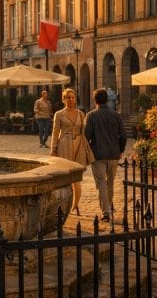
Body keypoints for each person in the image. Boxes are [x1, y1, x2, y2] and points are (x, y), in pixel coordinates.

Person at [84, 88, 127, 222]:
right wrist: (120, 150)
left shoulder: (91, 115)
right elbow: (123, 135)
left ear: (95, 100)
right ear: (107, 100)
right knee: (110, 182)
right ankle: (108, 206)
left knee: (101, 182)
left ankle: (106, 211)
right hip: (113, 154)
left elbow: (86, 135)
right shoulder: (116, 115)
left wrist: (89, 150)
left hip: (98, 154)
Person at [50, 88, 90, 217]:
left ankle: (74, 205)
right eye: (68, 97)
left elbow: (84, 132)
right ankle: (64, 205)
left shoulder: (81, 114)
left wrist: (86, 148)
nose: (71, 100)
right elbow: (55, 132)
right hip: (64, 144)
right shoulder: (59, 114)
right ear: (64, 99)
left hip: (79, 145)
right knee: (66, 177)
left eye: (73, 97)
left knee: (77, 177)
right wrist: (53, 149)